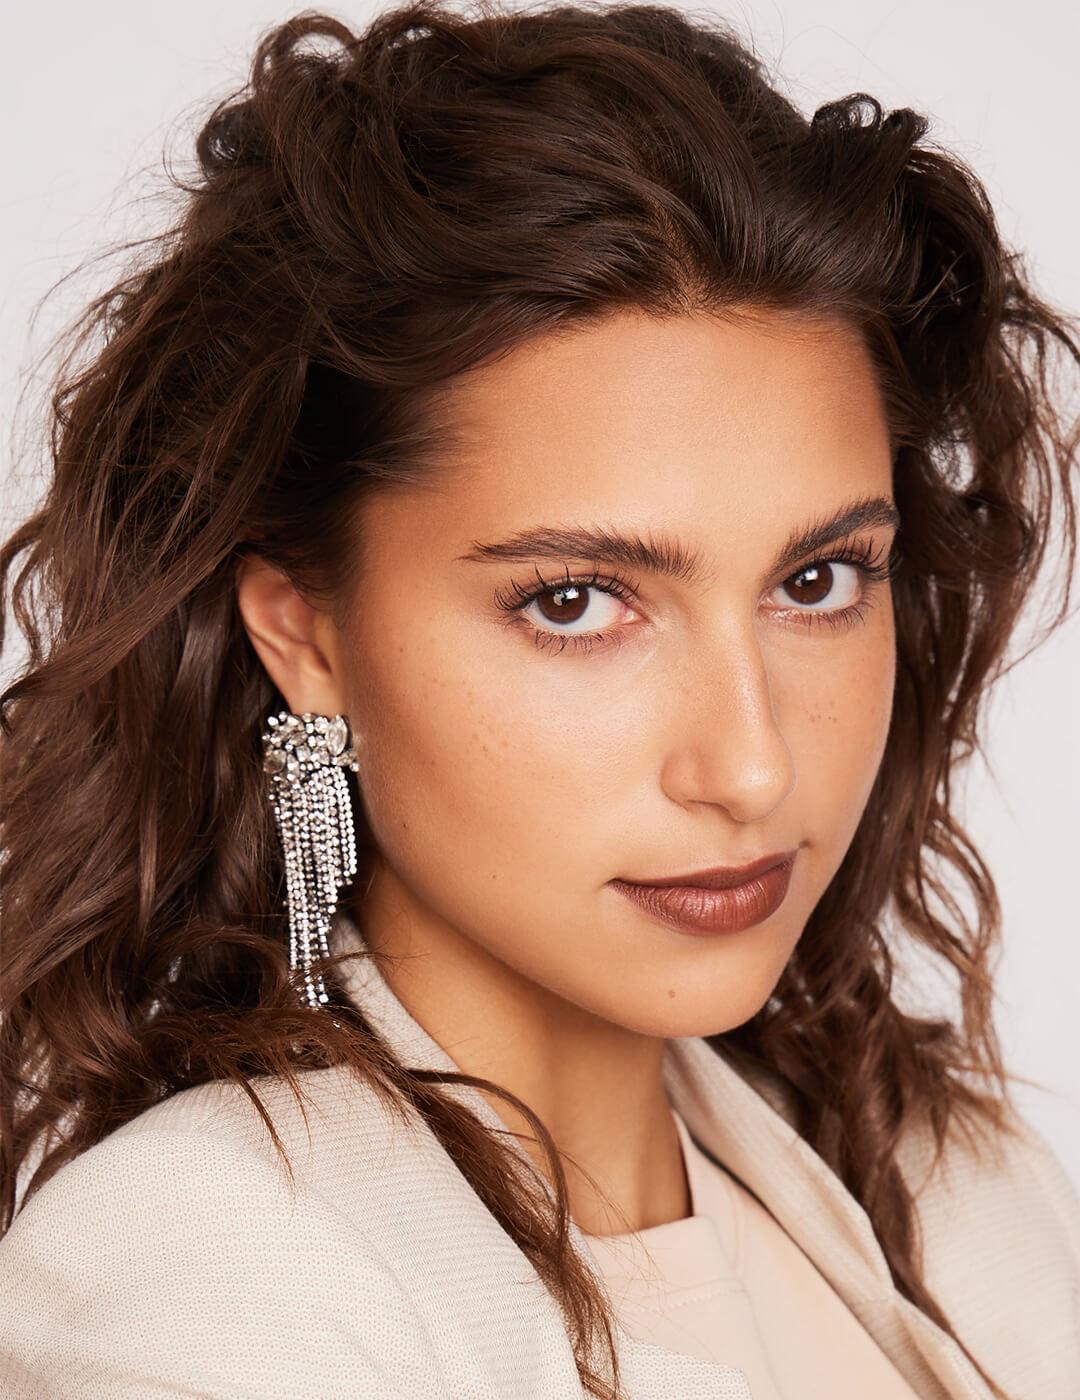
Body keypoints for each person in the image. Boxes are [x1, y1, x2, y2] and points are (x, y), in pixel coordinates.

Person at [1, 2, 1077, 1397]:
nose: (751, 767)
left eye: (817, 581)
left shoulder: (957, 1186)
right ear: (305, 636)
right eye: (576, 602)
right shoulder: (209, 1281)